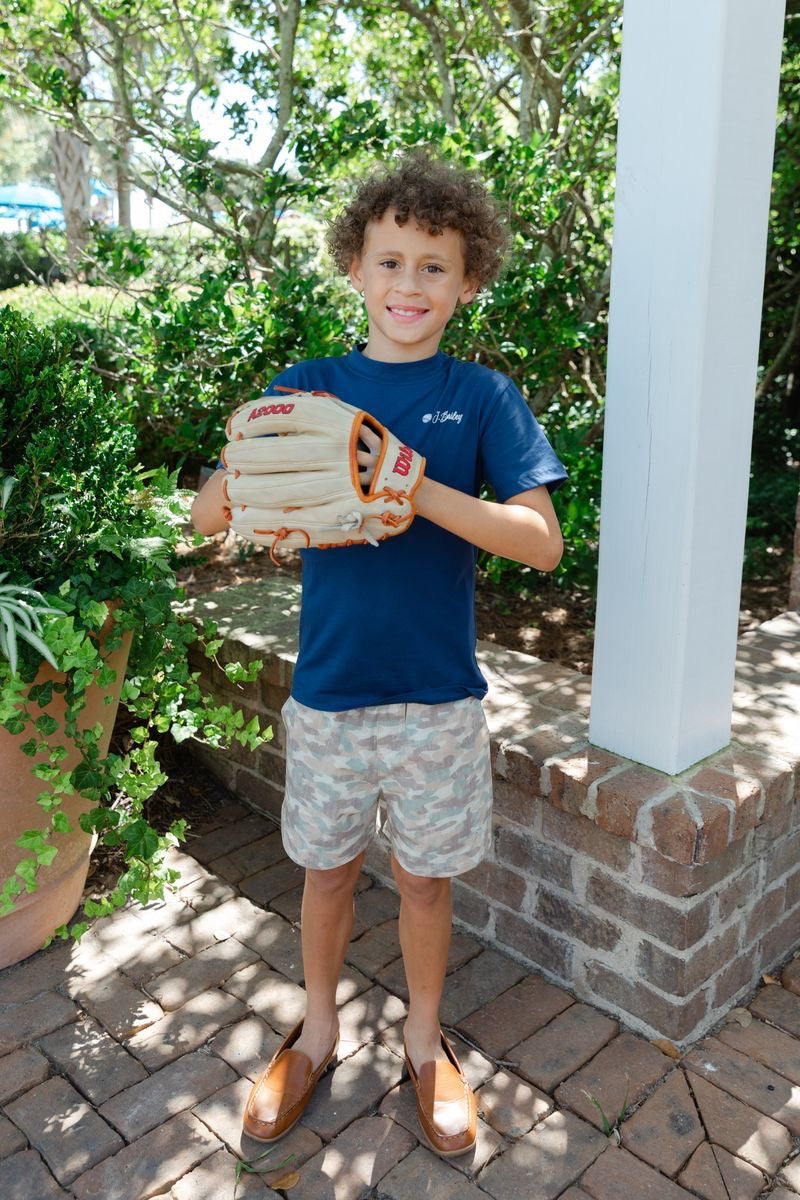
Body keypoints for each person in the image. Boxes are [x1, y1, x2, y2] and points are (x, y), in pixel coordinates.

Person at [191, 151, 567, 1158]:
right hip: (329, 692)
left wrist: (410, 485)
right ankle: (315, 1031)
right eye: (389, 261)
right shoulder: (305, 387)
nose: (410, 285)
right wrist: (260, 492)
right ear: (354, 268)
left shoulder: (483, 399)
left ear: (469, 279)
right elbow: (210, 512)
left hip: (436, 698)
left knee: (426, 883)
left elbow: (540, 542)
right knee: (322, 874)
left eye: (434, 266)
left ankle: (420, 1037)